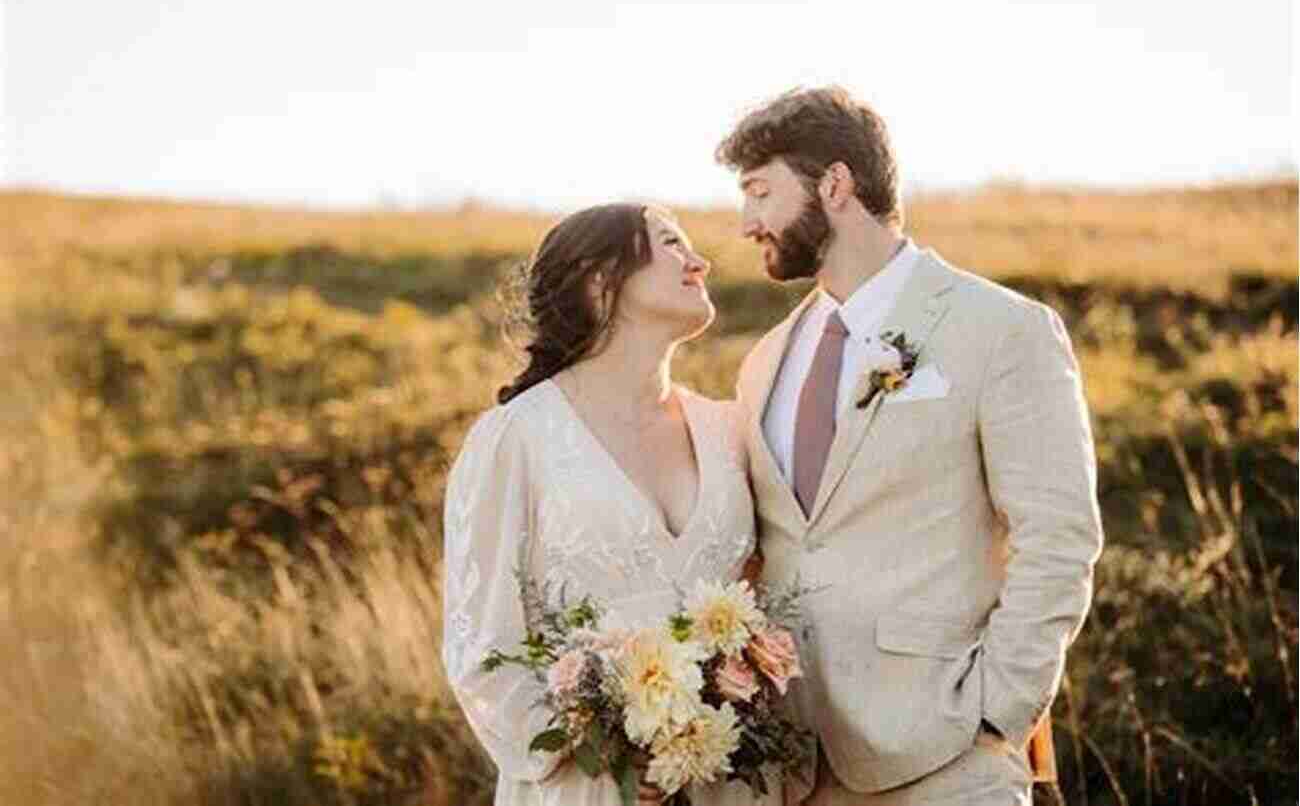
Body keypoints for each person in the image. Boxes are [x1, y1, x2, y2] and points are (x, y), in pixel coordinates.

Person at [718, 86, 1104, 806]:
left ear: (835, 184)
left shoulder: (1000, 328)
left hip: (948, 754)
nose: (746, 224)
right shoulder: (765, 360)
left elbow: (1059, 536)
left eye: (760, 193)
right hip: (792, 768)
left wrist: (998, 711)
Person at [441, 203, 777, 806]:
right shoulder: (516, 438)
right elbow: (480, 645)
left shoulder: (729, 430)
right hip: (587, 786)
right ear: (600, 279)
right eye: (672, 243)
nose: (699, 261)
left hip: (725, 782)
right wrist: (601, 750)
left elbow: (767, 593)